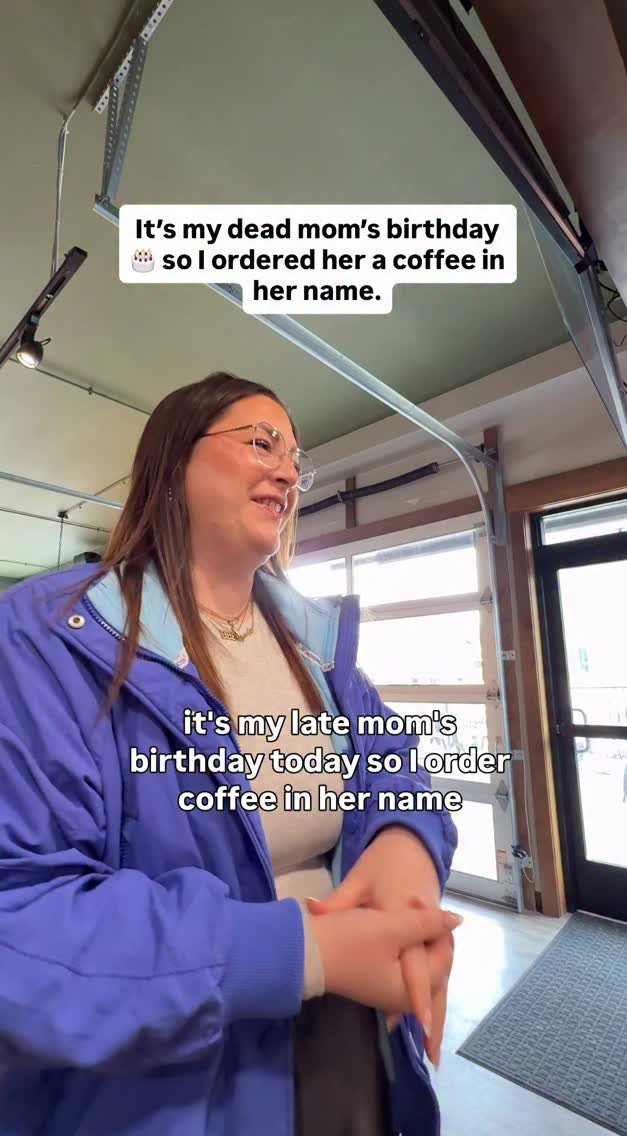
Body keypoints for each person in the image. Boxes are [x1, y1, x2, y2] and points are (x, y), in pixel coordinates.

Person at [0, 372, 460, 1135]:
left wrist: (405, 849)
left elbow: (394, 762)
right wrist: (303, 951)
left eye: (296, 459)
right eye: (262, 443)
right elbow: (22, 914)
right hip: (163, 1091)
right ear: (173, 461)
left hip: (351, 1051)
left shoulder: (315, 647)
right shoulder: (46, 640)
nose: (288, 472)